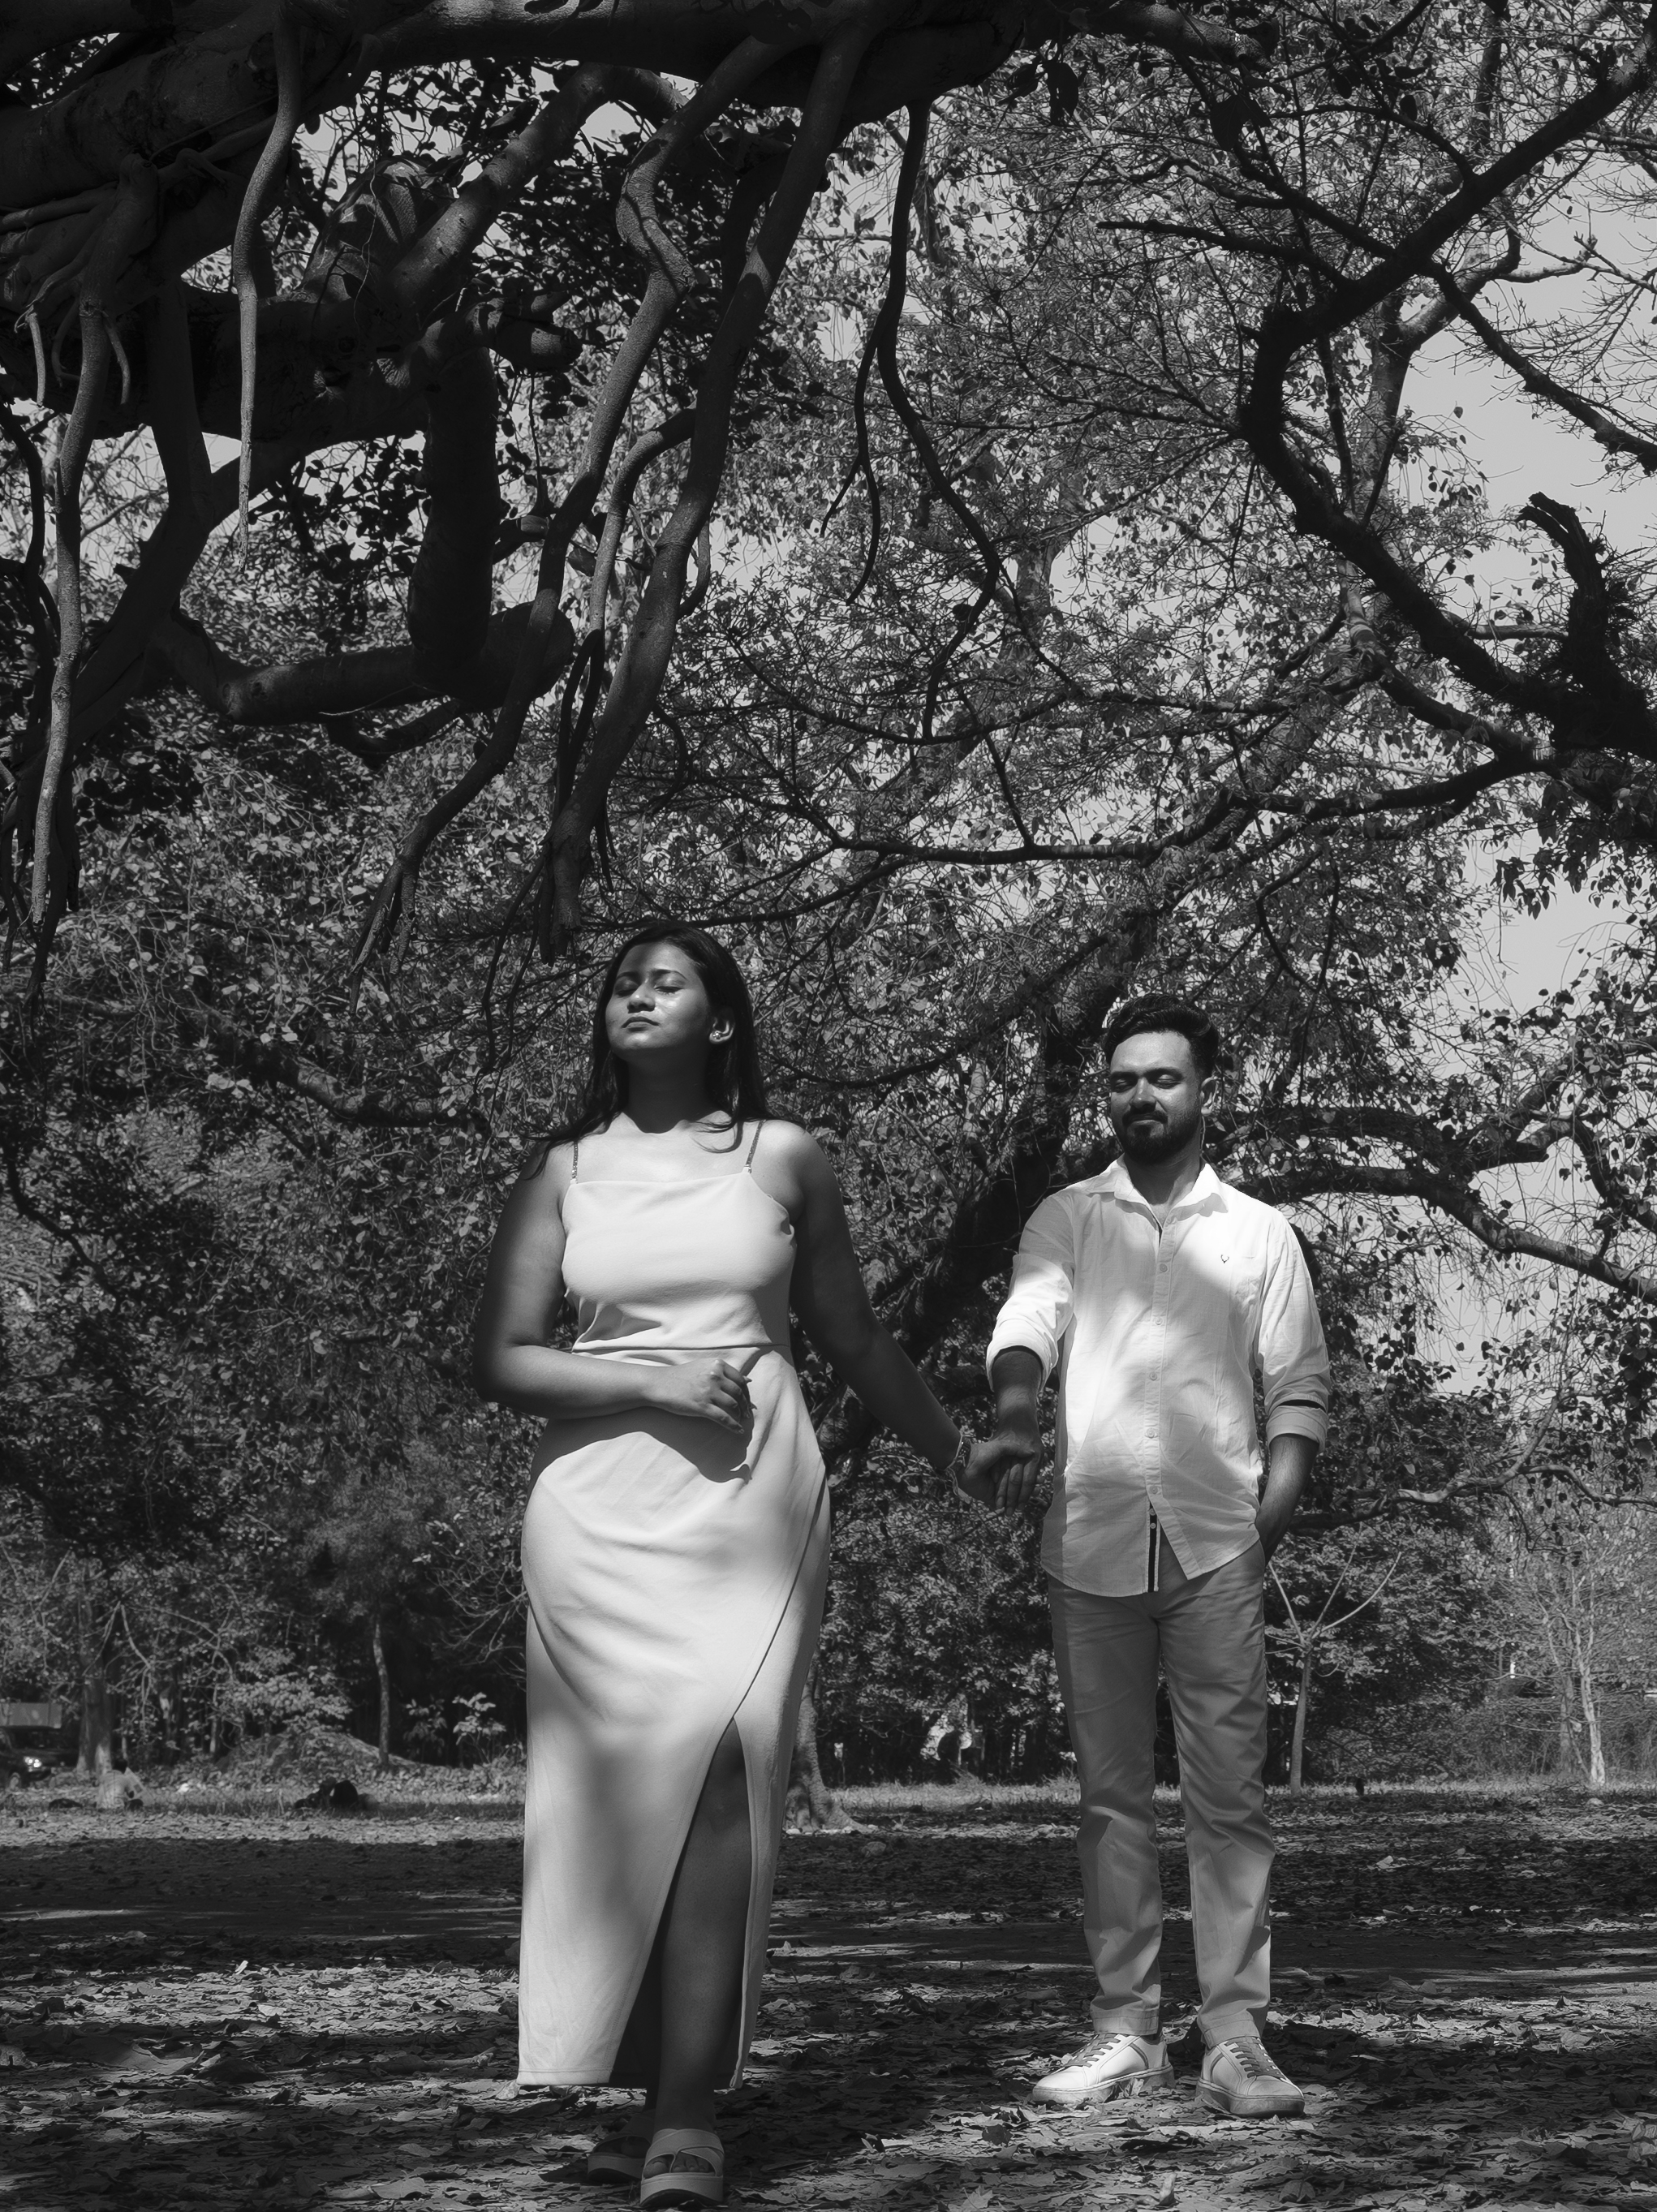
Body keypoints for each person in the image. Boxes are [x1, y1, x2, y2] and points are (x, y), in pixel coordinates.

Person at [477, 923, 970, 2207]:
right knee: (607, 1806)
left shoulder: (784, 1158)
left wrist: (957, 1454)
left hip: (752, 1508)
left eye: (667, 981)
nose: (635, 995)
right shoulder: (564, 1173)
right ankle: (625, 2086)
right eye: (621, 983)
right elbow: (503, 1357)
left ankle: (686, 2108)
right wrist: (650, 1378)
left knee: (723, 1781)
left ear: (723, 1023)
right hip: (597, 1518)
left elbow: (855, 1341)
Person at [969, 994, 1332, 2119]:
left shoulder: (1260, 1233)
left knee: (1231, 1801)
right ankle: (1125, 2031)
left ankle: (1233, 2035)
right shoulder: (1069, 1217)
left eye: (1162, 1079)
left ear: (1206, 1091)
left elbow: (1298, 1384)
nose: (1139, 1096)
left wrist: (1269, 1512)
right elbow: (1025, 1324)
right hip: (1091, 1544)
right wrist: (1019, 1412)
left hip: (1220, 1545)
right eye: (1123, 1080)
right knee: (1111, 1800)